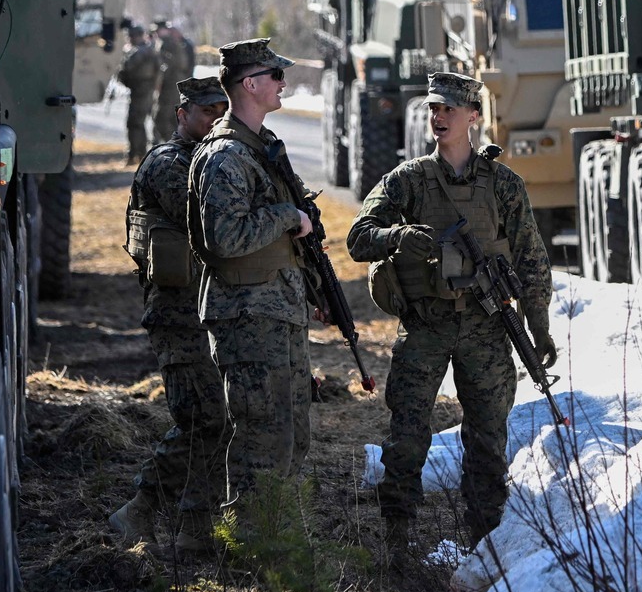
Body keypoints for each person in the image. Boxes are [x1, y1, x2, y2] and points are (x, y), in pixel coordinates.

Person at [346, 72, 554, 549]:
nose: (438, 117)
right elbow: (358, 238)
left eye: (449, 110)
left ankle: (483, 544)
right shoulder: (409, 181)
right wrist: (396, 236)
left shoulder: (503, 184)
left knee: (487, 440)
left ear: (473, 117)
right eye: (433, 109)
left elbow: (532, 260)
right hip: (426, 325)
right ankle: (398, 540)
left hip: (486, 327)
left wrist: (538, 327)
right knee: (407, 437)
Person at [187, 38, 315, 510]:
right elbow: (224, 238)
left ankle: (276, 542)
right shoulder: (227, 157)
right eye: (276, 76)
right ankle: (247, 552)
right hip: (247, 315)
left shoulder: (261, 148)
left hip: (278, 310)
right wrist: (285, 216)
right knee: (261, 438)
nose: (284, 83)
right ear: (251, 83)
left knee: (292, 433)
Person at [111, 76, 231, 551]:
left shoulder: (217, 160)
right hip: (178, 318)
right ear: (182, 115)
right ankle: (140, 507)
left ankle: (194, 527)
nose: (215, 120)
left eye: (222, 110)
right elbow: (213, 218)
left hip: (211, 313)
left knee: (218, 420)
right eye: (206, 112)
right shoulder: (168, 164)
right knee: (202, 418)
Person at [117, 23, 161, 165]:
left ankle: (136, 154)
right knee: (138, 122)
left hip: (141, 90)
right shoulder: (148, 50)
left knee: (135, 122)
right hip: (143, 90)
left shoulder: (140, 51)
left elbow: (126, 68)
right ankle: (138, 153)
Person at [153, 19, 197, 143]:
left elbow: (185, 65)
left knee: (166, 117)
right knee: (171, 117)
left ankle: (173, 143)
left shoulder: (177, 45)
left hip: (176, 85)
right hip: (176, 84)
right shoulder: (176, 45)